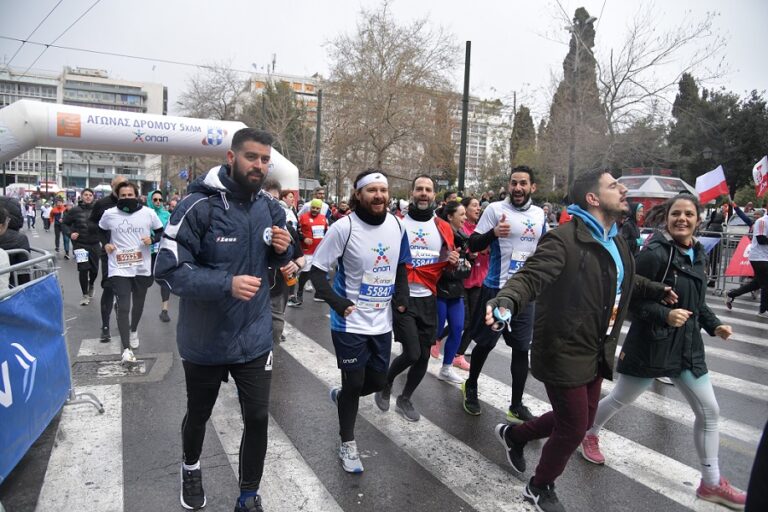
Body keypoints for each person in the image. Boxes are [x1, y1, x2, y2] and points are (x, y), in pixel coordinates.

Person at [487, 169, 673, 512]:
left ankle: (514, 435)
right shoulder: (564, 240)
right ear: (592, 198)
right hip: (564, 347)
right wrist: (506, 301)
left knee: (581, 420)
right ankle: (539, 486)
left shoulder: (615, 239)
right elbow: (530, 277)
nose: (622, 189)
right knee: (574, 428)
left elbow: (624, 279)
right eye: (613, 185)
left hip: (596, 346)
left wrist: (657, 290)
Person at [154, 128, 292, 512]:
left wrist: (284, 249)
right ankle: (191, 466)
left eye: (265, 159)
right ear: (231, 158)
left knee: (258, 417)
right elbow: (167, 270)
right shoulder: (197, 206)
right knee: (200, 414)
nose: (259, 165)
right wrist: (226, 283)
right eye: (252, 157)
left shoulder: (270, 207)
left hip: (254, 335)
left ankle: (248, 495)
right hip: (205, 339)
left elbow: (282, 254)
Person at [585, 194, 746, 510]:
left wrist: (715, 326)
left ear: (698, 219)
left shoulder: (697, 252)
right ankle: (589, 432)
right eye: (676, 214)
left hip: (687, 348)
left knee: (709, 411)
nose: (682, 219)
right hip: (651, 345)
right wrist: (665, 315)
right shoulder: (655, 253)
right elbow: (630, 299)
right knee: (620, 398)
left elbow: (697, 302)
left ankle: (711, 483)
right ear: (667, 217)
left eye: (689, 214)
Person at [310, 169, 410, 473]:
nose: (379, 196)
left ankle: (343, 398)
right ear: (358, 194)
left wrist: (402, 297)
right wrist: (338, 303)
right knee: (354, 382)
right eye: (371, 190)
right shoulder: (344, 228)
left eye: (383, 190)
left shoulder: (397, 225)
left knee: (378, 381)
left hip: (381, 321)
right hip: (349, 322)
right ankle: (347, 443)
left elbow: (401, 265)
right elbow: (317, 272)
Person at [461, 166, 547, 423]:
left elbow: (544, 249)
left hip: (525, 293)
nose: (517, 188)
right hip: (497, 290)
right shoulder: (495, 210)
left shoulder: (539, 214)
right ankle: (471, 386)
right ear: (509, 185)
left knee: (521, 349)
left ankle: (516, 404)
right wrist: (493, 233)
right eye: (514, 183)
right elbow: (472, 244)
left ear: (532, 187)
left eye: (523, 183)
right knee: (486, 344)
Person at [373, 175, 459, 422]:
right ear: (412, 192)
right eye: (419, 189)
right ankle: (386, 383)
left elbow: (448, 263)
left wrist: (453, 262)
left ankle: (405, 398)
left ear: (434, 195)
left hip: (429, 298)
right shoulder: (396, 223)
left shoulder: (443, 227)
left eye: (428, 190)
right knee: (411, 353)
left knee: (423, 356)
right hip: (403, 297)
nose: (423, 193)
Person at [99, 181, 163, 365]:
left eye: (130, 195)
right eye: (123, 195)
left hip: (141, 266)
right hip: (119, 266)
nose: (127, 198)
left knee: (138, 304)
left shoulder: (148, 213)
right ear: (117, 197)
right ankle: (126, 349)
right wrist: (106, 244)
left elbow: (160, 231)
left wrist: (152, 239)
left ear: (136, 195)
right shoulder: (109, 214)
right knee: (124, 306)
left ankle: (133, 329)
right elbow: (100, 230)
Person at [431, 201, 472, 383]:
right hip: (439, 288)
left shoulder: (463, 237)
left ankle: (446, 368)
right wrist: (449, 262)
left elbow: (463, 265)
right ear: (449, 216)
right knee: (436, 330)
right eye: (461, 214)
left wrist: (466, 262)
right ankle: (412, 354)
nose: (465, 218)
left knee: (457, 327)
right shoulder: (438, 235)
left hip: (456, 289)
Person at [263, 178, 305, 345]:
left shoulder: (287, 229)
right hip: (248, 294)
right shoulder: (245, 227)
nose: (269, 203)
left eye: (274, 199)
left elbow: (301, 257)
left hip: (277, 292)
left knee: (274, 332)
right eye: (264, 198)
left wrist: (296, 265)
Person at [91, 175, 128, 342]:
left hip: (128, 253)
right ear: (112, 186)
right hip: (109, 252)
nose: (122, 189)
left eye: (124, 185)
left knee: (124, 288)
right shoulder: (102, 204)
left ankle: (121, 313)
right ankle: (105, 326)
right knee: (108, 287)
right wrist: (105, 239)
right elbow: (92, 223)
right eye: (118, 186)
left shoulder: (133, 203)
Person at [453, 196, 488, 371]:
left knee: (473, 322)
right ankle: (438, 340)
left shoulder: (481, 228)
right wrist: (470, 254)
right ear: (465, 209)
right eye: (474, 205)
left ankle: (458, 354)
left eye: (479, 206)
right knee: (464, 321)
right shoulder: (461, 228)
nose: (478, 208)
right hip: (462, 279)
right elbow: (461, 250)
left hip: (479, 280)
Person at [725, 207, 768, 318]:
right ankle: (763, 310)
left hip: (765, 257)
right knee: (766, 284)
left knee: (757, 283)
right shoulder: (762, 221)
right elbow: (761, 239)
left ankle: (731, 294)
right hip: (759, 257)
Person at [62, 188, 100, 305]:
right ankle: (85, 295)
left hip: (94, 244)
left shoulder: (98, 210)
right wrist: (70, 233)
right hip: (81, 245)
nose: (88, 197)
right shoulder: (75, 210)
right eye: (86, 195)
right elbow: (64, 224)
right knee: (83, 269)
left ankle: (91, 284)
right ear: (82, 197)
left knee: (94, 270)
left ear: (93, 197)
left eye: (90, 195)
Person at [292, 198, 328, 306]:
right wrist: (304, 239)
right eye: (313, 207)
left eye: (317, 208)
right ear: (310, 207)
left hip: (319, 251)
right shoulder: (303, 217)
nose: (315, 210)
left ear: (320, 209)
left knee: (319, 272)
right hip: (307, 251)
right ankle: (298, 292)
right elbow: (296, 232)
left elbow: (326, 232)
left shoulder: (323, 218)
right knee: (305, 272)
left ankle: (318, 294)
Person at [148, 190, 173, 322]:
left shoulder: (167, 215)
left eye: (160, 200)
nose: (158, 202)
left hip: (162, 251)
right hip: (147, 252)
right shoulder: (145, 214)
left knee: (164, 279)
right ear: (150, 200)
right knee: (145, 281)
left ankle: (164, 310)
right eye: (155, 199)